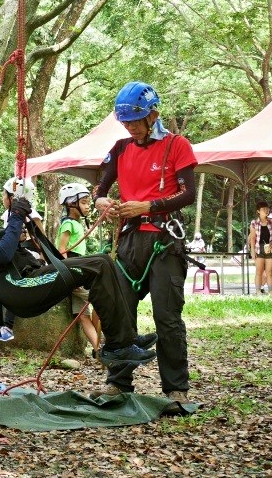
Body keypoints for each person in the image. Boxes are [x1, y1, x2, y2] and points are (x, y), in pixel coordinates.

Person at [0, 169, 156, 373]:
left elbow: (3, 241)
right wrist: (15, 216)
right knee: (100, 264)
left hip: (21, 281)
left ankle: (124, 340)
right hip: (17, 286)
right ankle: (119, 345)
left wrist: (21, 219)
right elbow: (2, 253)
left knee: (103, 262)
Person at [93, 81, 197, 403]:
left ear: (153, 115)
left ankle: (176, 388)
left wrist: (148, 206)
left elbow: (188, 194)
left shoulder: (177, 145)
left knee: (166, 316)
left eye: (135, 121)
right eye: (125, 122)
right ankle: (119, 382)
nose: (130, 128)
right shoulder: (121, 148)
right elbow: (101, 188)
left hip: (165, 240)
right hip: (129, 241)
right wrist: (101, 202)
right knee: (120, 312)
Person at [0, 177, 45, 345]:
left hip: (28, 256)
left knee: (16, 280)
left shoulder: (31, 216)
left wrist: (42, 255)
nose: (2, 197)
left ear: (12, 197)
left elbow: (41, 238)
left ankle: (8, 326)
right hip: (14, 254)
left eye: (4, 194)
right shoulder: (8, 215)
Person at [57, 182, 101, 356]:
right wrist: (70, 276)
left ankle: (99, 347)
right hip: (74, 272)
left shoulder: (77, 224)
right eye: (83, 202)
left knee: (84, 314)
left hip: (78, 271)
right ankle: (103, 345)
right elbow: (62, 250)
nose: (87, 206)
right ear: (70, 203)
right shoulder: (68, 224)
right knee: (93, 305)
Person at [248, 200, 272, 294]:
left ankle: (270, 292)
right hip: (258, 249)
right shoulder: (254, 223)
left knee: (269, 272)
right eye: (263, 209)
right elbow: (252, 238)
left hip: (270, 249)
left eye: (267, 208)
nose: (266, 210)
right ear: (258, 211)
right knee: (259, 272)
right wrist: (252, 251)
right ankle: (258, 291)